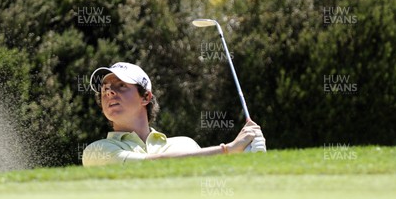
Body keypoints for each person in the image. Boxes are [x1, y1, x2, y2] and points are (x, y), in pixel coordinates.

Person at [82, 62, 266, 167]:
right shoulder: (97, 150)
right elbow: (147, 166)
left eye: (121, 85)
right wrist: (228, 149)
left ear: (146, 97)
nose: (109, 92)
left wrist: (250, 154)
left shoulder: (185, 144)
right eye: (105, 88)